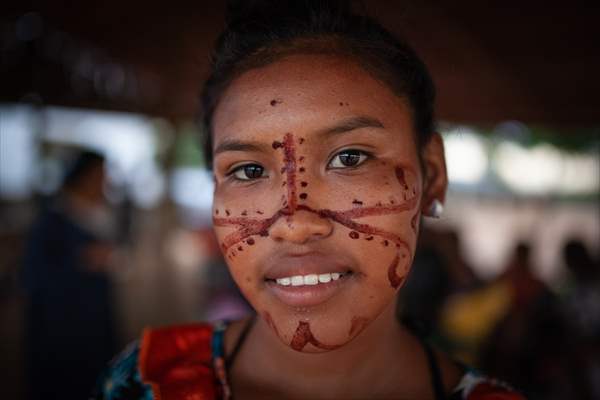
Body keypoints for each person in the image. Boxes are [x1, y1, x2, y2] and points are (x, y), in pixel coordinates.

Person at [95, 1, 525, 398]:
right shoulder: (146, 380)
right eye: (248, 170)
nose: (295, 223)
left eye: (350, 157)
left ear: (432, 174)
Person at [23, 150, 117, 400]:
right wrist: (82, 261)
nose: (105, 182)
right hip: (61, 328)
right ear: (83, 177)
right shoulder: (53, 220)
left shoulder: (99, 216)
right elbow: (34, 274)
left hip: (95, 321)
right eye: (100, 175)